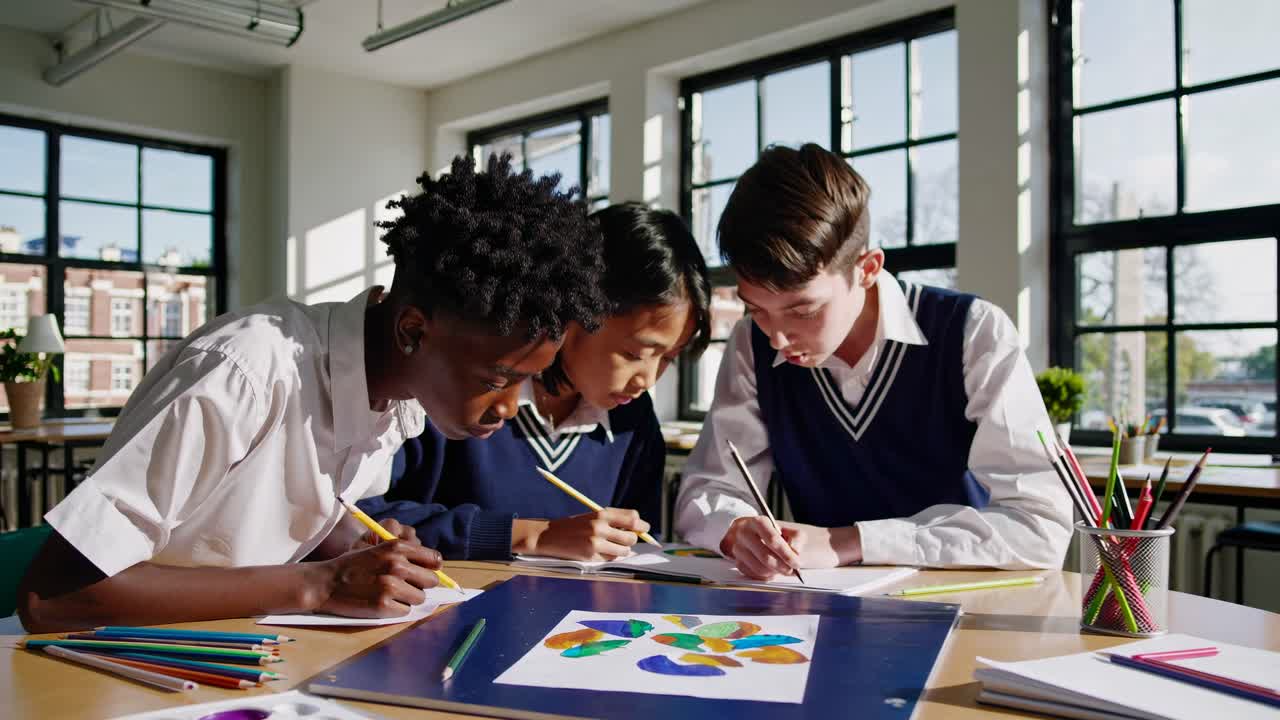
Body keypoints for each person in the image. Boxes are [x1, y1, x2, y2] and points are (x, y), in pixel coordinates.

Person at [18, 155, 611, 632]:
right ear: (413, 330)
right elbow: (55, 596)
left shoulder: (400, 393)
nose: (509, 409)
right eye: (495, 380)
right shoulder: (244, 370)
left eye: (525, 380)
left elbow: (290, 499)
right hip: (104, 660)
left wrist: (358, 547)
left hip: (234, 645)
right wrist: (319, 586)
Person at [674, 143, 1071, 579]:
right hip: (818, 606)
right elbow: (706, 489)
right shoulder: (753, 344)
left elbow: (1041, 526)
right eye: (757, 309)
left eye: (804, 311)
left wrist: (850, 541)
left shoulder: (973, 332)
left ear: (867, 268)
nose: (778, 336)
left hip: (962, 602)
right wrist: (735, 528)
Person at [360, 203, 711, 562]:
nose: (647, 380)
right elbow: (359, 519)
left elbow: (637, 551)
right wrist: (530, 535)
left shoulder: (632, 423)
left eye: (668, 358)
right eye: (636, 353)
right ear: (577, 311)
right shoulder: (457, 389)